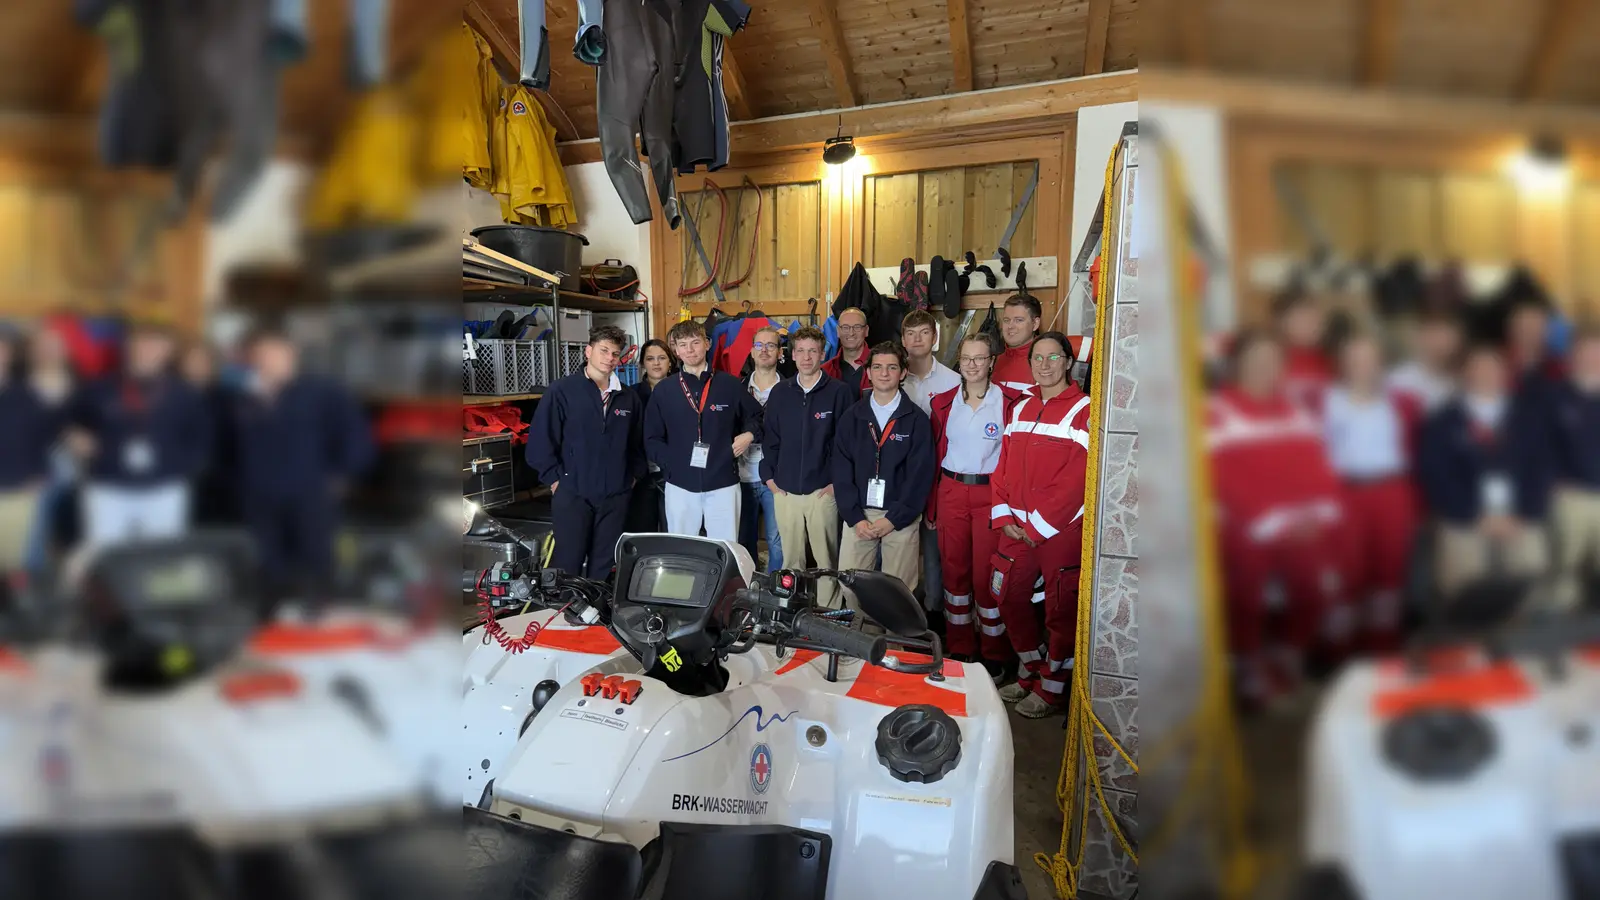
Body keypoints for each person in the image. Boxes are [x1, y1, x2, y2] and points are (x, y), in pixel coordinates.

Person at [1208, 331, 1349, 709]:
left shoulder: (1295, 411)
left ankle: (1290, 653)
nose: (1265, 369)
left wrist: (1317, 514)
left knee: (1320, 584)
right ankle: (1249, 667)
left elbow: (1317, 467)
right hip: (1247, 524)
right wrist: (1271, 521)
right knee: (1246, 590)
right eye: (1257, 360)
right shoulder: (1218, 412)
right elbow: (1223, 478)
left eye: (1273, 361)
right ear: (1238, 364)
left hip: (1300, 520)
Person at [988, 333, 1091, 718]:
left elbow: (1076, 481)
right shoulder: (1022, 407)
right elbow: (1003, 464)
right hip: (1015, 528)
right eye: (1037, 359)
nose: (1044, 365)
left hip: (1060, 533)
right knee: (1008, 597)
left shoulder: (1084, 409)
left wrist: (1039, 526)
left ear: (1067, 362)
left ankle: (1052, 690)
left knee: (1061, 614)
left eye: (1053, 358)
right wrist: (1003, 514)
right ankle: (1031, 669)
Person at [231, 328, 375, 601]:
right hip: (260, 500)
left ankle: (317, 619)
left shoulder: (323, 392)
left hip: (310, 496)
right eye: (261, 355)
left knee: (316, 563)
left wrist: (343, 476)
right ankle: (275, 619)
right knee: (267, 566)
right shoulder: (245, 397)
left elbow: (354, 436)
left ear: (291, 355)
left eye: (275, 353)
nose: (268, 361)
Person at [1418, 343, 1552, 604]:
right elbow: (1436, 475)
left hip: (1519, 514)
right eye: (1477, 366)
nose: (1486, 373)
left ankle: (1518, 630)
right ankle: (1466, 637)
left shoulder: (1528, 416)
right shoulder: (1442, 421)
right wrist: (1474, 515)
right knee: (1463, 584)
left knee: (1530, 571)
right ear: (1464, 372)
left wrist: (1523, 513)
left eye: (1493, 367)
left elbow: (1542, 466)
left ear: (1505, 373)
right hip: (1465, 515)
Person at [67, 321, 212, 546]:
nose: (147, 348)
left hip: (164, 490)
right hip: (108, 489)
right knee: (104, 557)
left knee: (161, 559)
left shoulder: (186, 393)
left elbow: (201, 440)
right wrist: (75, 437)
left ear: (169, 350)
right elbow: (72, 422)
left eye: (156, 343)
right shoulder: (97, 388)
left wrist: (179, 471)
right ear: (128, 346)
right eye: (141, 341)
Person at [927, 332, 1021, 670]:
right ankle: (960, 646)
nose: (972, 364)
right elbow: (934, 456)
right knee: (954, 573)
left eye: (979, 358)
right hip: (951, 491)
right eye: (966, 357)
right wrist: (932, 506)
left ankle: (995, 652)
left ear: (992, 361)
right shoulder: (942, 402)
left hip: (990, 495)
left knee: (986, 576)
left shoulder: (1009, 403)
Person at [1323, 333, 1417, 655]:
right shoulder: (1327, 401)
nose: (1363, 366)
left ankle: (1384, 643)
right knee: (1348, 574)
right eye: (1355, 359)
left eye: (1370, 359)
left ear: (1381, 364)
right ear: (1343, 365)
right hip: (1347, 492)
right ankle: (1342, 648)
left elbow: (1415, 444)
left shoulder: (1399, 400)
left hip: (1392, 491)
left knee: (1390, 572)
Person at [529, 325, 647, 580]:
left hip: (615, 495)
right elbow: (540, 440)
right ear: (588, 350)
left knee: (604, 564)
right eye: (604, 351)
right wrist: (555, 480)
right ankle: (564, 615)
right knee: (567, 563)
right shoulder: (562, 391)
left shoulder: (628, 398)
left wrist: (631, 478)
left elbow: (637, 444)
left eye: (615, 354)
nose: (609, 359)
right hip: (573, 494)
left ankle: (596, 615)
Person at [834, 342, 935, 603]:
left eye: (892, 367)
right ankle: (862, 639)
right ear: (868, 372)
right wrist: (855, 518)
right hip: (860, 516)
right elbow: (841, 470)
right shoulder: (851, 417)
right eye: (877, 367)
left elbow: (920, 476)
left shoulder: (916, 420)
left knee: (899, 593)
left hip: (899, 517)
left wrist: (894, 519)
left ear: (903, 373)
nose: (884, 373)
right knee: (850, 585)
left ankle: (895, 644)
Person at [644, 320, 762, 542]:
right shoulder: (664, 390)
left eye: (695, 342)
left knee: (725, 548)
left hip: (723, 483)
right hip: (680, 485)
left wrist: (749, 435)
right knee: (681, 549)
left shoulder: (730, 385)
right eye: (683, 344)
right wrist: (672, 465)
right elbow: (651, 438)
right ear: (676, 350)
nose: (690, 350)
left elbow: (757, 416)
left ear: (707, 344)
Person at [762, 326, 853, 608]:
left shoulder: (839, 392)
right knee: (791, 562)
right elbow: (770, 438)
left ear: (822, 353)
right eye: (799, 350)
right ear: (791, 355)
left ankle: (828, 616)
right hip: (785, 492)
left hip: (821, 493)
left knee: (827, 562)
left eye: (812, 351)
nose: (805, 357)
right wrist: (771, 481)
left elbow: (846, 444)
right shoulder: (780, 392)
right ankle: (789, 613)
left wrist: (835, 484)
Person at [899, 310, 960, 613]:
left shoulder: (954, 381)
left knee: (934, 555)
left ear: (935, 338)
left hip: (938, 482)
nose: (917, 339)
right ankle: (902, 614)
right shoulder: (892, 377)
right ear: (903, 339)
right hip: (900, 482)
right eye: (911, 333)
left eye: (924, 332)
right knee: (901, 557)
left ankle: (935, 615)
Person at [0, 332, 58, 574]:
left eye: (2, 350)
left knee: (14, 560)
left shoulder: (26, 394)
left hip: (17, 488)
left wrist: (40, 472)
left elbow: (43, 437)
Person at [1551, 328, 1600, 612]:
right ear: (1573, 356)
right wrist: (1552, 482)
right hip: (1571, 497)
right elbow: (1539, 446)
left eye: (1597, 352)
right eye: (1586, 352)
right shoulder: (1555, 396)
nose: (1592, 359)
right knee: (1564, 577)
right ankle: (1561, 632)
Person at [736, 327, 784, 572]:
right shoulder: (736, 388)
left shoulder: (790, 390)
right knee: (744, 541)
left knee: (778, 541)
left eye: (771, 345)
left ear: (780, 352)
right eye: (759, 345)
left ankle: (774, 595)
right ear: (752, 352)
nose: (764, 350)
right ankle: (749, 591)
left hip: (775, 479)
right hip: (741, 477)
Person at [624, 338, 675, 534]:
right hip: (641, 474)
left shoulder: (682, 391)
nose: (656, 363)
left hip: (674, 472)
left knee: (674, 530)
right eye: (650, 358)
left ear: (670, 362)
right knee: (642, 529)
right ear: (642, 363)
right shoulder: (631, 395)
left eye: (662, 358)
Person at [1388, 309, 1463, 416]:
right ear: (1421, 337)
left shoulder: (1455, 385)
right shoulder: (1400, 379)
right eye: (1434, 334)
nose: (1440, 342)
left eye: (1446, 335)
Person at [1275, 289, 1334, 413]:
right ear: (1282, 323)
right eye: (1303, 318)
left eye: (1316, 317)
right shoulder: (1272, 361)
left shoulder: (1333, 360)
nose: (1314, 324)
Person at [990, 294, 1041, 392]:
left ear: (1035, 324)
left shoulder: (1047, 362)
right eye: (1006, 320)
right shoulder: (992, 360)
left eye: (1018, 320)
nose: (1010, 326)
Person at [821, 307, 871, 395]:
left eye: (857, 327)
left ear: (866, 331)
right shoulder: (825, 371)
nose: (851, 333)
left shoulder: (882, 368)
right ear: (838, 331)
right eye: (845, 327)